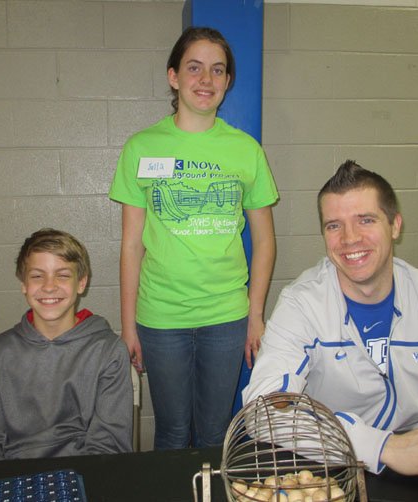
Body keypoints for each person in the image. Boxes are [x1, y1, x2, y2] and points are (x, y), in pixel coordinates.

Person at [243, 160, 418, 478]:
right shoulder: (303, 303)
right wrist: (383, 446)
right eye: (334, 225)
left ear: (395, 225)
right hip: (330, 470)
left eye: (366, 220)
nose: (349, 238)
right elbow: (264, 410)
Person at [108, 26, 278, 449]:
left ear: (227, 81)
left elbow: (265, 241)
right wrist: (128, 326)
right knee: (172, 430)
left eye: (217, 71)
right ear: (174, 77)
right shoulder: (142, 147)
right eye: (195, 68)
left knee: (216, 431)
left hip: (226, 314)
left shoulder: (246, 151)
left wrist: (255, 314)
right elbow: (131, 245)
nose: (206, 80)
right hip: (161, 317)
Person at [0, 228, 133, 461]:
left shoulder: (108, 351)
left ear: (81, 283)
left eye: (63, 275)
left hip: (83, 473)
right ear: (23, 284)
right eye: (37, 276)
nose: (49, 286)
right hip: (16, 477)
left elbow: (108, 446)